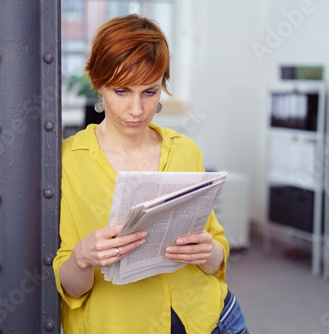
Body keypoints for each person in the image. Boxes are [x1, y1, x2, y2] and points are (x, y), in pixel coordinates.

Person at [53, 14, 249, 334]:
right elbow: (71, 288)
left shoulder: (186, 150)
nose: (136, 109)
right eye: (121, 91)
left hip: (214, 321)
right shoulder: (68, 161)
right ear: (98, 85)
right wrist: (83, 257)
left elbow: (215, 259)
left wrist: (208, 251)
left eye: (149, 92)